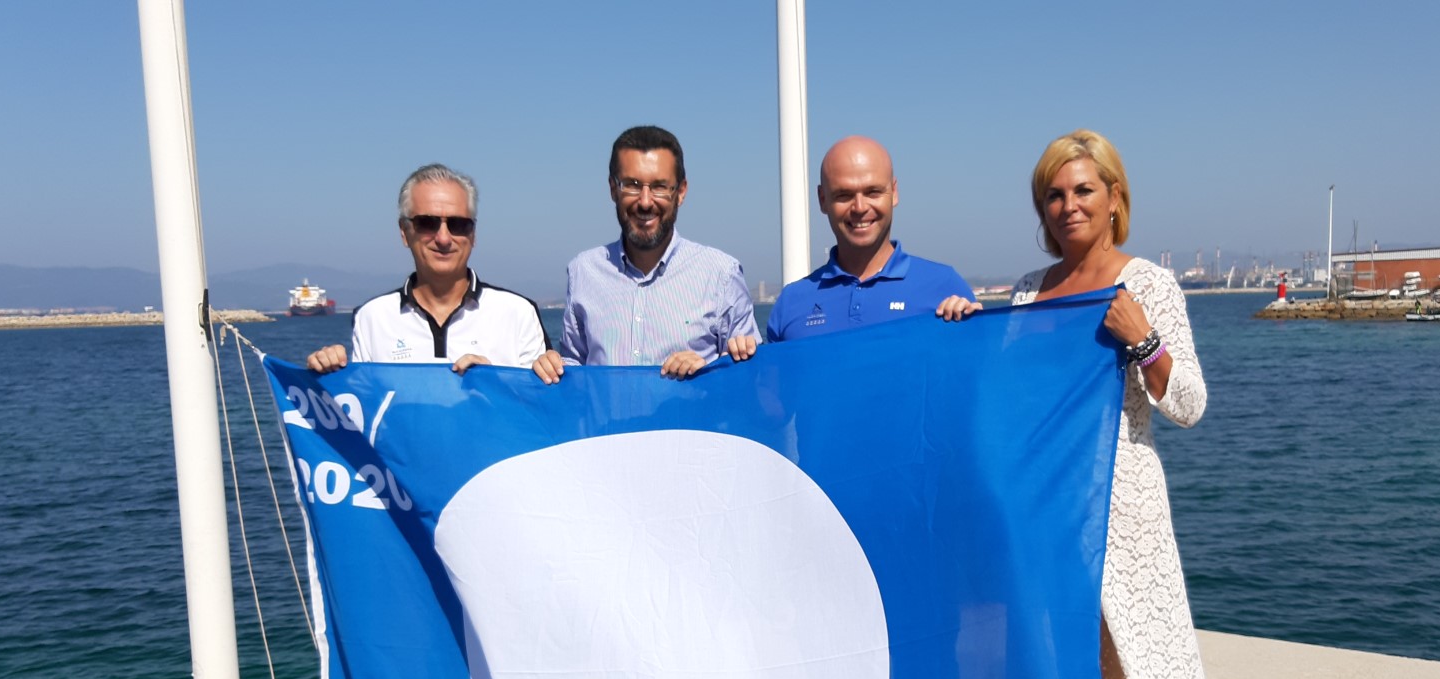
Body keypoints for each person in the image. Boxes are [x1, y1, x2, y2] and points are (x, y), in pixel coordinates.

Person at [1009, 129, 1213, 679]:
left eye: (1084, 191)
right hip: (1044, 507)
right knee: (1043, 666)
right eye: (1055, 195)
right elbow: (1009, 395)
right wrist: (968, 324)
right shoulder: (1029, 292)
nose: (1069, 206)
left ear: (1115, 198)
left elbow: (1188, 405)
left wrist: (1144, 341)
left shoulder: (1149, 284)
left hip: (1120, 508)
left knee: (1110, 674)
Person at [533, 126, 759, 383]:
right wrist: (552, 366)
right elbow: (574, 369)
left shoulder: (722, 275)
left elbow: (753, 382)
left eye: (660, 187)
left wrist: (709, 370)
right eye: (632, 185)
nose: (645, 201)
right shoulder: (583, 272)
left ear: (681, 192)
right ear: (612, 188)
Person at [306, 163, 547, 375]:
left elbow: (542, 413)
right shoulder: (372, 318)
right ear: (404, 231)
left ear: (472, 233)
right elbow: (362, 413)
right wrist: (327, 375)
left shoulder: (518, 313)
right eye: (427, 223)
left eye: (458, 224)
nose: (443, 238)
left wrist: (493, 382)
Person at [766, 136, 977, 340]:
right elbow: (769, 376)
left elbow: (981, 370)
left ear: (894, 193)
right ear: (823, 200)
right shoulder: (790, 304)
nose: (860, 207)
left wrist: (976, 330)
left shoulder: (945, 287)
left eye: (873, 192)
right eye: (844, 195)